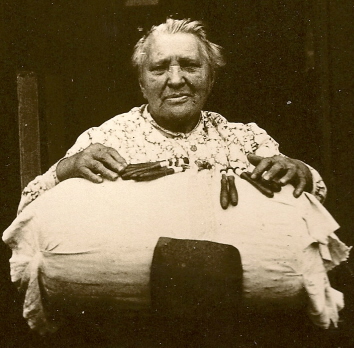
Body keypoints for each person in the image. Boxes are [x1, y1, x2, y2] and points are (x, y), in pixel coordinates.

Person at [18, 18, 327, 215]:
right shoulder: (104, 140)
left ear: (211, 79)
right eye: (159, 67)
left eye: (190, 65)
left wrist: (303, 172)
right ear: (141, 83)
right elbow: (28, 207)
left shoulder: (245, 138)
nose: (176, 79)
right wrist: (65, 169)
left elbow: (316, 195)